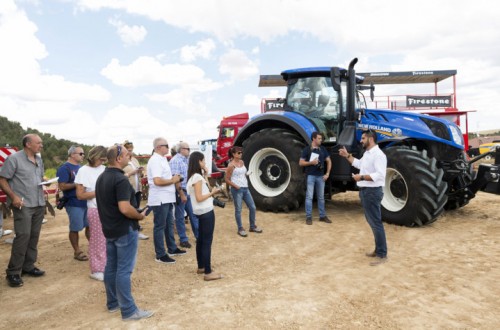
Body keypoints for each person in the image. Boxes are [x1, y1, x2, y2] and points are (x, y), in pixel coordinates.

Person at [95, 144, 154, 321]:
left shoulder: (102, 177)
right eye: (128, 154)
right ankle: (129, 311)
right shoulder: (120, 179)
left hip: (110, 229)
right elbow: (125, 208)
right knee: (123, 270)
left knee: (111, 267)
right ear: (119, 158)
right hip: (124, 228)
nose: (130, 156)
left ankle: (113, 303)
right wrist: (139, 216)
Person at [0, 134, 46, 288]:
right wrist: (13, 197)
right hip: (23, 204)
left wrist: (44, 180)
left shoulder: (39, 159)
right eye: (38, 143)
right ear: (28, 144)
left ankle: (28, 266)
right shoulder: (14, 159)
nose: (41, 145)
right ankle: (13, 272)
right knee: (23, 236)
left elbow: (36, 178)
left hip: (39, 202)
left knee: (33, 236)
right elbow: (2, 179)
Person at [339, 129, 388, 266]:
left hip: (372, 192)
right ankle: (378, 250)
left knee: (376, 223)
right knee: (373, 222)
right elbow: (359, 164)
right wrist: (346, 155)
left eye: (363, 138)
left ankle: (382, 254)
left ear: (370, 139)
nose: (361, 141)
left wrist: (360, 177)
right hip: (366, 192)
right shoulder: (368, 153)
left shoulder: (378, 155)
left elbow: (379, 175)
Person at [147, 137, 186, 264]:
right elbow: (157, 181)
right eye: (166, 145)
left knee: (169, 224)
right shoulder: (155, 161)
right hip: (160, 199)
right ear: (158, 147)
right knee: (160, 226)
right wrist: (173, 180)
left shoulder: (162, 159)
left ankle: (172, 248)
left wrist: (174, 179)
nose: (168, 148)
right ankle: (160, 254)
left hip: (167, 198)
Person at [187, 151, 223, 281]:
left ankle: (201, 266)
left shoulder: (194, 177)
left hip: (200, 212)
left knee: (201, 240)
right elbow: (200, 197)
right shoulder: (197, 178)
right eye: (203, 161)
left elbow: (205, 188)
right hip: (206, 211)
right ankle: (208, 272)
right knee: (206, 242)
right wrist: (213, 192)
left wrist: (206, 174)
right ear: (198, 162)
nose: (205, 163)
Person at [75, 146, 108, 281]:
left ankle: (105, 266)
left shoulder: (104, 169)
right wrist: (101, 192)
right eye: (101, 159)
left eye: (104, 160)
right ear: (95, 157)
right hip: (95, 209)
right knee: (97, 240)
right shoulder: (83, 171)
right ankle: (96, 270)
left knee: (106, 240)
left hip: (107, 209)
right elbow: (80, 195)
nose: (102, 162)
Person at [57, 145, 90, 261]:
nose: (83, 156)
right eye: (80, 153)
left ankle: (94, 246)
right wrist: (78, 184)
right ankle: (77, 251)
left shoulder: (81, 168)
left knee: (89, 226)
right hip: (73, 203)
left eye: (83, 153)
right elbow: (62, 186)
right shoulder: (64, 168)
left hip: (86, 201)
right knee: (75, 228)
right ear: (72, 155)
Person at [225, 146, 262, 237]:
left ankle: (252, 226)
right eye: (238, 153)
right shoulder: (231, 165)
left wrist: (247, 174)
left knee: (252, 207)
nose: (241, 154)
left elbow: (242, 175)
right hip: (237, 190)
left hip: (245, 188)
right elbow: (227, 179)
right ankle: (240, 228)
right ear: (233, 154)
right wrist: (236, 186)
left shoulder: (242, 162)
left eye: (241, 152)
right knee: (238, 209)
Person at [170, 141, 199, 249]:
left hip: (187, 191)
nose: (189, 150)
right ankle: (183, 239)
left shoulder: (186, 160)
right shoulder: (176, 161)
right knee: (180, 217)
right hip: (180, 191)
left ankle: (198, 236)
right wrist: (181, 194)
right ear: (181, 150)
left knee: (193, 214)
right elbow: (176, 179)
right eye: (188, 148)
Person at [299, 131, 332, 225]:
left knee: (321, 198)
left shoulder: (323, 149)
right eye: (319, 138)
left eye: (321, 138)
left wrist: (327, 173)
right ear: (313, 138)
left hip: (321, 177)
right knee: (309, 197)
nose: (321, 140)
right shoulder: (306, 150)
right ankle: (308, 217)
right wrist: (311, 163)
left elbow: (329, 161)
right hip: (310, 176)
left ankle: (322, 216)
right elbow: (301, 163)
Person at [123, 140, 148, 240]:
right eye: (129, 150)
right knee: (131, 211)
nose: (131, 152)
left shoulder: (134, 160)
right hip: (128, 190)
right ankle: (132, 231)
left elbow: (138, 173)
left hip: (137, 189)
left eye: (132, 150)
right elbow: (121, 175)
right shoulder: (123, 161)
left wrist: (140, 172)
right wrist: (133, 172)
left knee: (136, 210)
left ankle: (135, 230)